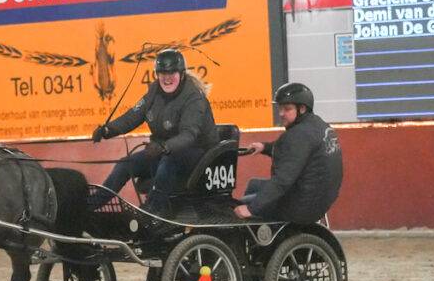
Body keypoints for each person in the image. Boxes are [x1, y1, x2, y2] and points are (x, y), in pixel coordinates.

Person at [91, 49, 217, 215]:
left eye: (171, 73)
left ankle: (153, 210)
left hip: (197, 154)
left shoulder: (194, 97)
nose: (167, 78)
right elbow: (133, 116)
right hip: (164, 151)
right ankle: (91, 205)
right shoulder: (154, 92)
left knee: (168, 162)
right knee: (125, 165)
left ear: (181, 74)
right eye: (162, 73)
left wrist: (164, 147)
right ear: (157, 74)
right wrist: (108, 129)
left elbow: (189, 135)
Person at [234, 82, 343, 223]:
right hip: (318, 198)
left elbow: (283, 180)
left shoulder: (298, 135)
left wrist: (251, 209)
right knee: (254, 184)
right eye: (280, 108)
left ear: (302, 109)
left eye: (287, 109)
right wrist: (265, 147)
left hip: (300, 206)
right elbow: (294, 151)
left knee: (241, 204)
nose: (281, 113)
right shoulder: (317, 125)